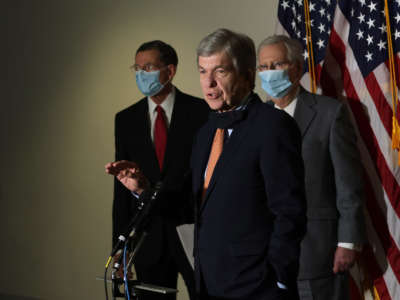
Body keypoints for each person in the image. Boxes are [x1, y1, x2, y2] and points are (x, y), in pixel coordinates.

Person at [107, 29, 307, 300]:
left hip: (258, 286)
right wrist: (143, 188)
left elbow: (289, 212)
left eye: (220, 71)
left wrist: (279, 279)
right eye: (202, 71)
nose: (209, 83)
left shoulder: (273, 126)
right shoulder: (206, 133)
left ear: (247, 75)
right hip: (209, 283)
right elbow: (192, 206)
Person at [257, 35, 366, 300]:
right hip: (267, 256)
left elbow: (348, 183)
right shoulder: (256, 119)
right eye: (263, 67)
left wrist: (348, 241)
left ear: (296, 68)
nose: (269, 74)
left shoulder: (329, 113)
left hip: (317, 253)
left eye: (277, 65)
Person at [111, 40, 209, 300]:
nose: (142, 74)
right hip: (148, 236)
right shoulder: (126, 119)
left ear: (170, 70)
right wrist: (120, 247)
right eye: (137, 68)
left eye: (149, 67)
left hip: (193, 232)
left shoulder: (201, 112)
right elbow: (121, 190)